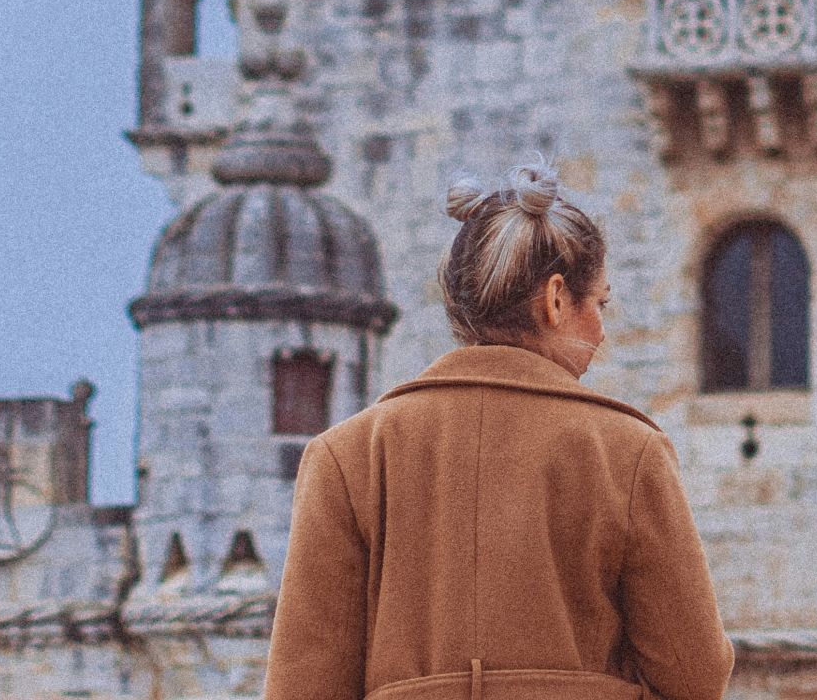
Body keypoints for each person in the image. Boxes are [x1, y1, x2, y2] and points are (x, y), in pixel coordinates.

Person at [262, 162, 735, 700]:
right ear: (556, 300)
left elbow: (303, 684)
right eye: (599, 304)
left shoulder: (346, 456)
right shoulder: (629, 451)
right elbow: (693, 673)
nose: (602, 330)